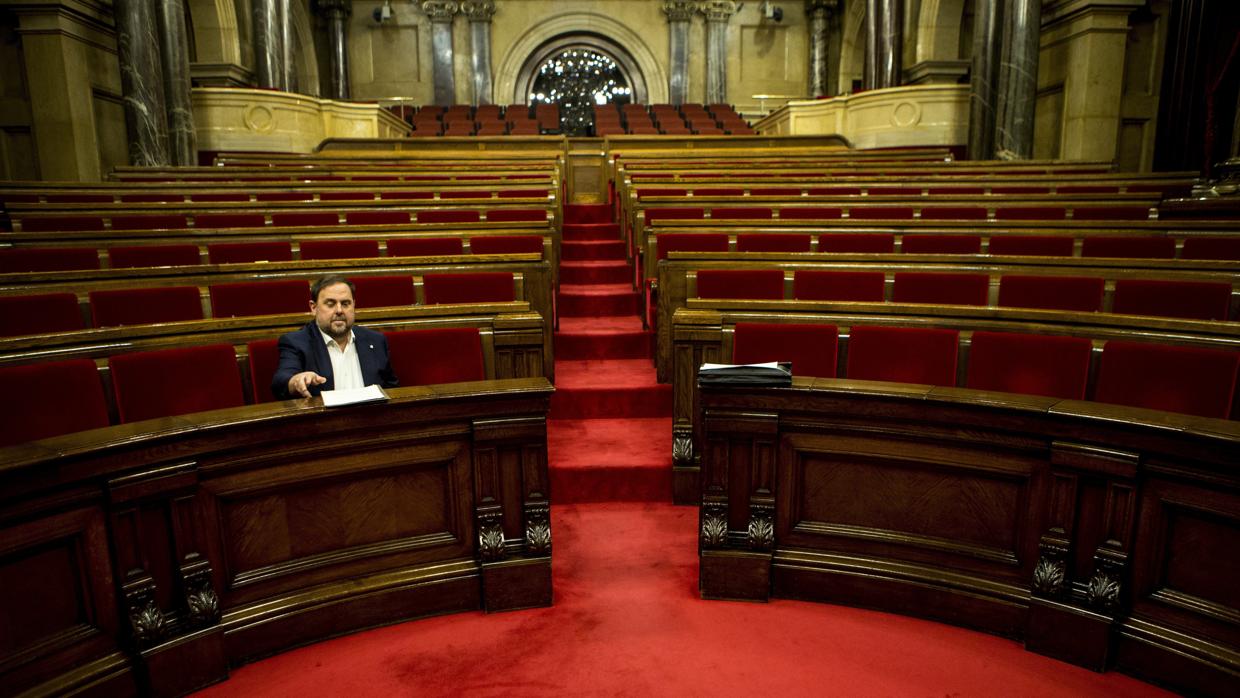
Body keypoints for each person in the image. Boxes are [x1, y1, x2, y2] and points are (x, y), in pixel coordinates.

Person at [271, 274, 398, 400]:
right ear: (314, 308)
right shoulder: (296, 342)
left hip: (371, 417)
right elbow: (281, 381)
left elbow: (392, 388)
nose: (339, 310)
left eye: (345, 303)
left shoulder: (375, 340)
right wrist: (295, 380)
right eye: (330, 304)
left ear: (354, 305)